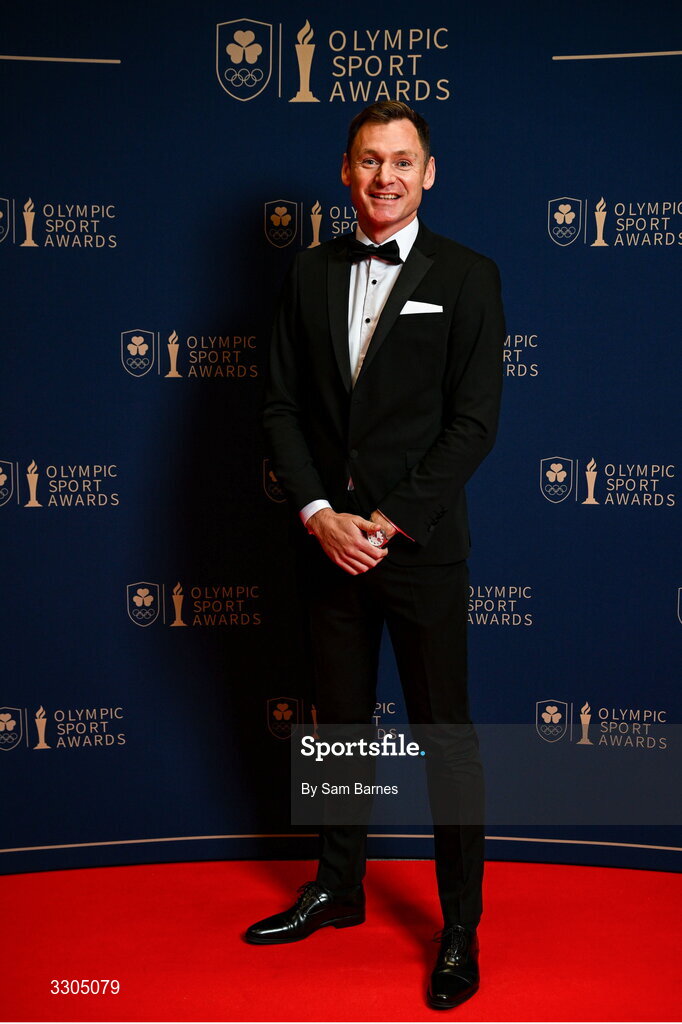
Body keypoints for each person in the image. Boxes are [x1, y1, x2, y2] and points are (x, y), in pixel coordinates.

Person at [247, 100, 504, 1010]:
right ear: (345, 173)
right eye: (368, 161)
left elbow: (474, 425)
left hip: (419, 548)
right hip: (328, 546)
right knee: (340, 728)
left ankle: (460, 927)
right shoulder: (310, 272)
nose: (385, 177)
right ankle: (340, 887)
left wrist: (385, 522)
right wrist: (320, 512)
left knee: (447, 742)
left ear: (428, 172)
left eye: (402, 161)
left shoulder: (470, 277)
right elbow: (280, 405)